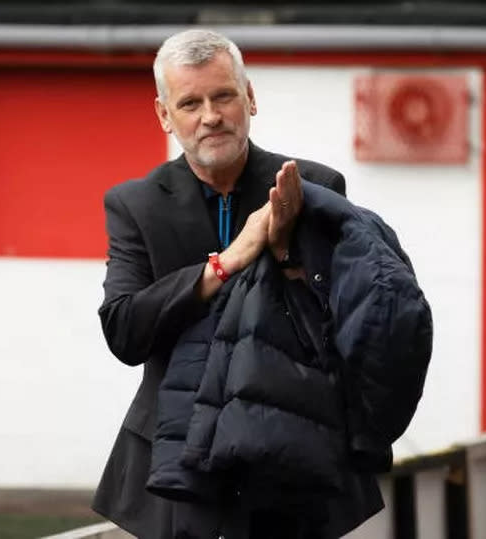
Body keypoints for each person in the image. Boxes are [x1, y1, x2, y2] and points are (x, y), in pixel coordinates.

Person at [93, 29, 432, 539]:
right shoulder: (135, 205)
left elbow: (354, 323)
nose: (211, 115)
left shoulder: (314, 187)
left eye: (224, 95)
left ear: (250, 97)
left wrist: (289, 257)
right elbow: (124, 331)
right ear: (165, 115)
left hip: (292, 459)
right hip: (175, 466)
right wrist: (227, 262)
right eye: (190, 103)